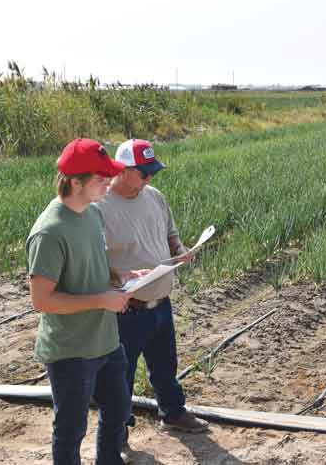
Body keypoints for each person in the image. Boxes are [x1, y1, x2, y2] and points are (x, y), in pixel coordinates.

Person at [27, 138, 145, 465]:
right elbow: (42, 300)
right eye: (101, 178)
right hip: (71, 350)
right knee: (70, 429)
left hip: (105, 340)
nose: (109, 183)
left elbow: (93, 264)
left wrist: (119, 275)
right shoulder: (49, 233)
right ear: (75, 182)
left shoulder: (92, 214)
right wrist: (101, 301)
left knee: (119, 408)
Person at [97, 139, 207, 459]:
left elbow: (170, 233)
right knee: (121, 376)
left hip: (161, 301)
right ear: (124, 170)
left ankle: (172, 412)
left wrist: (180, 249)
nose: (150, 179)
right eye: (144, 173)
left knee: (164, 366)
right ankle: (118, 434)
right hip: (126, 310)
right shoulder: (100, 207)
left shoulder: (155, 197)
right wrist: (120, 277)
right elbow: (94, 261)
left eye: (152, 172)